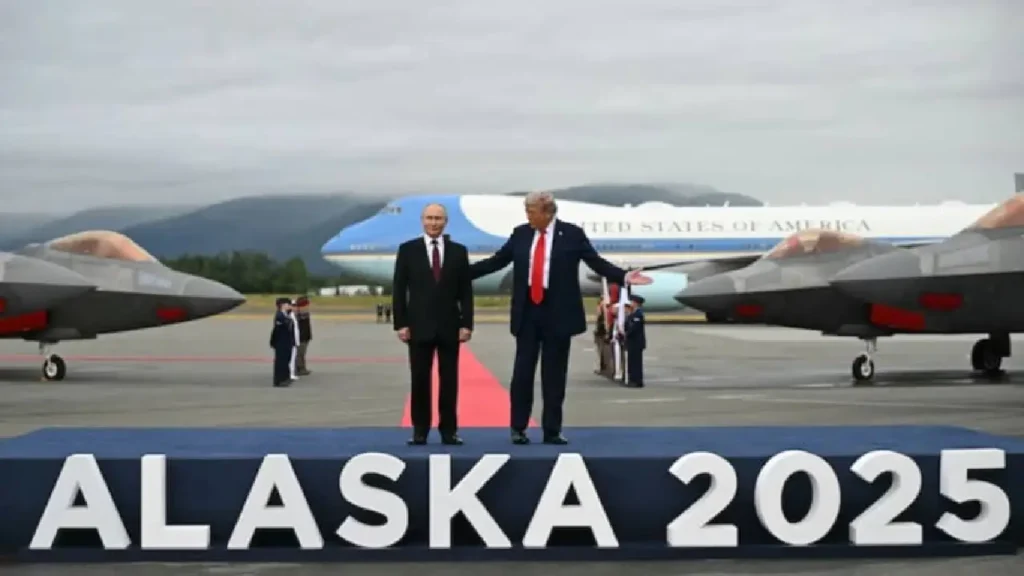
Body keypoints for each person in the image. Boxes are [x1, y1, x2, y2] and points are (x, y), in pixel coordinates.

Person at [469, 190, 651, 445]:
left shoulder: (572, 234)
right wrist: (460, 274)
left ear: (547, 212)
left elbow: (595, 262)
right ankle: (518, 428)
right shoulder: (521, 233)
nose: (527, 216)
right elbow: (497, 261)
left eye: (531, 211)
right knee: (522, 373)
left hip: (558, 313)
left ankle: (552, 430)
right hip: (528, 313)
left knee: (554, 375)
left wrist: (624, 277)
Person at [392, 203, 474, 446]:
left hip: (450, 327)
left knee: (449, 382)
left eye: (438, 218)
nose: (434, 222)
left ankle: (449, 431)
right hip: (418, 327)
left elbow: (465, 292)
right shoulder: (408, 250)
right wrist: (401, 323)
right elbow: (399, 289)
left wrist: (467, 323)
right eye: (429, 218)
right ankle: (420, 431)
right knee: (419, 380)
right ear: (422, 220)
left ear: (446, 221)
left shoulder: (459, 251)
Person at [269, 297, 296, 387]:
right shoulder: (279, 315)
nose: (289, 306)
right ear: (282, 305)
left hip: (287, 342)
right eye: (288, 304)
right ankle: (279, 380)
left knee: (286, 360)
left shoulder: (286, 314)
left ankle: (285, 378)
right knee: (280, 361)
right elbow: (279, 329)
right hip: (281, 342)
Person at [624, 294, 646, 388]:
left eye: (632, 302)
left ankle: (637, 381)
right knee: (632, 361)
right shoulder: (632, 313)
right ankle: (633, 379)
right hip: (632, 342)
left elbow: (634, 328)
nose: (631, 303)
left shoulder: (638, 314)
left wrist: (626, 333)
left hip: (636, 342)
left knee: (636, 362)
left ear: (636, 303)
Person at [294, 296, 312, 375]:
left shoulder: (304, 313)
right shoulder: (299, 315)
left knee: (302, 353)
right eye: (306, 305)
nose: (308, 307)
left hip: (305, 335)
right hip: (301, 336)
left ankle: (302, 368)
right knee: (300, 353)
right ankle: (299, 369)